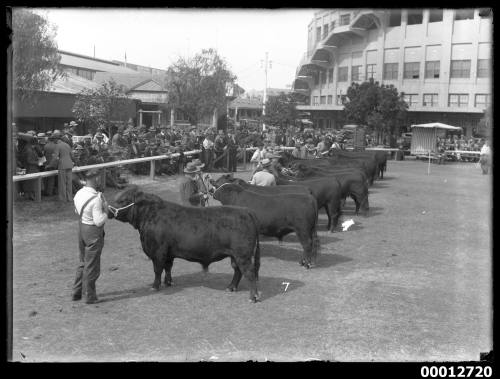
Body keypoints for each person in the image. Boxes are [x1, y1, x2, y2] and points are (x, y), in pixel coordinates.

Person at [72, 168, 109, 304]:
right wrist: (106, 211)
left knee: (82, 262)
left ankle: (76, 292)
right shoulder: (96, 199)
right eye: (99, 178)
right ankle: (90, 296)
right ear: (95, 179)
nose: (100, 181)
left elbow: (77, 210)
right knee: (92, 265)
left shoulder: (79, 193)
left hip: (81, 228)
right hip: (93, 232)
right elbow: (99, 221)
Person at [51, 130, 75, 202]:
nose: (53, 141)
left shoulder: (57, 146)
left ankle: (63, 199)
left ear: (56, 139)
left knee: (62, 183)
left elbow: (55, 158)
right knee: (69, 183)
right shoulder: (67, 145)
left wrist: (50, 165)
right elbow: (72, 155)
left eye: (53, 139)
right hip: (69, 165)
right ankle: (70, 198)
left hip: (62, 166)